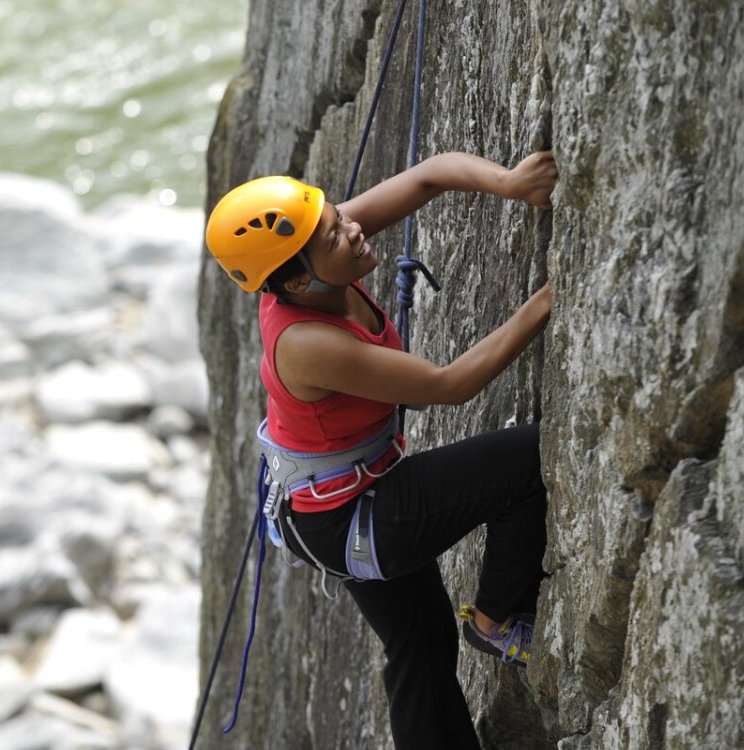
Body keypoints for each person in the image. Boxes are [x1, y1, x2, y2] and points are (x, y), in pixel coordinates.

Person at [203, 149, 557, 749]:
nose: (353, 230)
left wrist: (512, 183)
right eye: (334, 236)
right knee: (527, 461)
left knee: (419, 647)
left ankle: (489, 627)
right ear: (293, 282)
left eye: (338, 216)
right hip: (349, 516)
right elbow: (450, 385)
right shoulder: (307, 343)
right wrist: (550, 298)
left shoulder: (313, 258)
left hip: (326, 500)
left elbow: (426, 176)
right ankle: (497, 618)